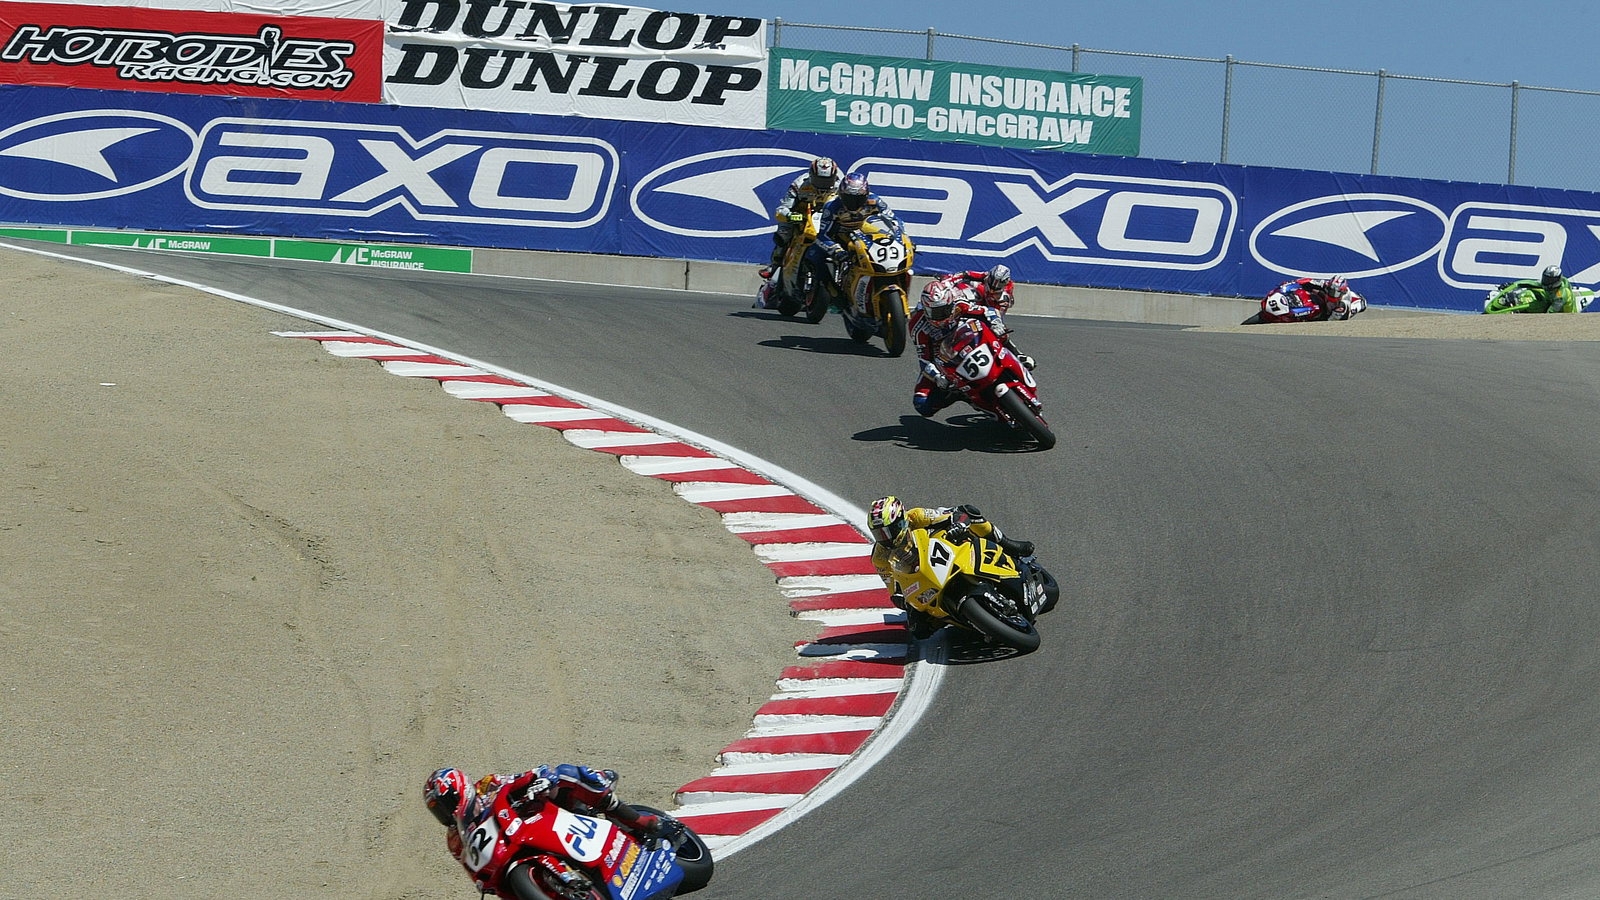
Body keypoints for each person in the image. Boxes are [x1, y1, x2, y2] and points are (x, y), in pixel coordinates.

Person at [424, 765, 663, 894]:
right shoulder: (455, 840)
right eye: (439, 811)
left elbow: (519, 778)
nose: (445, 814)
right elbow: (472, 866)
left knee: (565, 774)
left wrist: (537, 779)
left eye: (445, 805)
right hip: (512, 848)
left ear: (460, 790)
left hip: (538, 815)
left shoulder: (486, 786)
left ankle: (638, 821)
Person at [867, 495, 1035, 639]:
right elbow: (891, 586)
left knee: (970, 512)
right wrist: (900, 597)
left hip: (945, 546)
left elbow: (953, 515)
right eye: (879, 533)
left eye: (889, 530)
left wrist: (959, 523)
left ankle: (1008, 545)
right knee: (918, 630)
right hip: (920, 577)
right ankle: (958, 617)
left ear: (901, 520)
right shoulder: (880, 557)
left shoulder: (916, 517)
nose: (885, 538)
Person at [908, 279, 1034, 418]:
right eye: (936, 312)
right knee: (921, 404)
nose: (943, 315)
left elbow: (987, 311)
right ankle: (961, 395)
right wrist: (938, 377)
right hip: (943, 361)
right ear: (926, 310)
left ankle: (1018, 355)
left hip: (970, 339)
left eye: (945, 309)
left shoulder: (958, 302)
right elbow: (924, 360)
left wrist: (996, 323)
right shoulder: (917, 326)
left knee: (997, 330)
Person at [755, 157, 840, 307]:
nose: (823, 185)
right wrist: (792, 216)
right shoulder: (799, 185)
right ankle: (774, 266)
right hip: (801, 218)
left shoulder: (840, 186)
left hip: (828, 220)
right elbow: (782, 210)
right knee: (784, 233)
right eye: (819, 180)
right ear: (812, 175)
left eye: (826, 181)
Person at [813, 173, 901, 280]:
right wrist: (837, 251)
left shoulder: (874, 200)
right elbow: (821, 236)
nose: (853, 203)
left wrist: (901, 238)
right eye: (849, 198)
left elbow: (893, 220)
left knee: (884, 237)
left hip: (861, 227)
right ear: (841, 195)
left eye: (858, 199)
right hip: (838, 232)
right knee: (816, 257)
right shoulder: (832, 206)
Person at [1262, 275, 1367, 322]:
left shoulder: (1341, 307)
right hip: (1323, 301)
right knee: (1310, 290)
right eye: (1331, 290)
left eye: (1335, 292)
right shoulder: (1326, 285)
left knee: (1321, 317)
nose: (1332, 293)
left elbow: (1329, 323)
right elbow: (1307, 281)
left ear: (1341, 292)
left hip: (1332, 314)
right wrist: (1292, 283)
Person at [1484, 264, 1579, 314]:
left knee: (1536, 306)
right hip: (1550, 299)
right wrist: (1513, 285)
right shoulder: (1550, 284)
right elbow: (1533, 283)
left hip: (1563, 313)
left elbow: (1550, 314)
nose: (1546, 281)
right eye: (1546, 278)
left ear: (1556, 280)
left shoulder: (1560, 295)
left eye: (1549, 279)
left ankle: (1519, 311)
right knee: (1530, 292)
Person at [931, 264, 1017, 314]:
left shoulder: (1005, 295)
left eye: (1000, 283)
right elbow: (966, 274)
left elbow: (998, 314)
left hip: (993, 306)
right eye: (992, 280)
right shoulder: (987, 276)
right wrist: (949, 280)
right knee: (970, 284)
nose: (995, 285)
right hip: (984, 296)